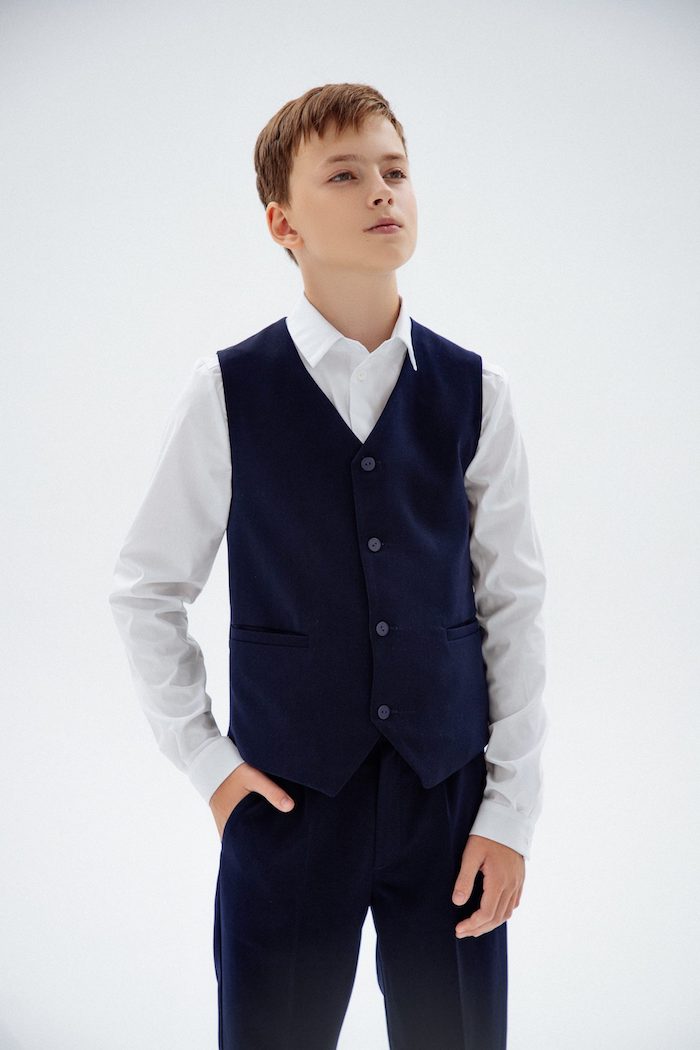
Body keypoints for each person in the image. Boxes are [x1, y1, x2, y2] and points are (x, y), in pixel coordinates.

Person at [109, 81, 548, 1050]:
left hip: (448, 804)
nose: (382, 191)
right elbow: (146, 590)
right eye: (344, 175)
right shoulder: (228, 391)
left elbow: (512, 603)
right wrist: (211, 767)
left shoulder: (476, 391)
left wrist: (509, 811)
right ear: (283, 223)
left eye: (395, 171)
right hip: (287, 802)